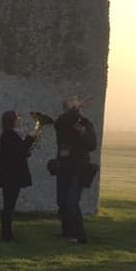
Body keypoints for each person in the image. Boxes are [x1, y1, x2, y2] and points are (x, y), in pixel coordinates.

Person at [53, 95, 97, 243]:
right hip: (64, 167)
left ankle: (79, 235)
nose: (77, 110)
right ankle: (67, 231)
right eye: (72, 107)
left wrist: (83, 132)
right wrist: (75, 109)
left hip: (79, 168)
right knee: (62, 201)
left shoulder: (85, 123)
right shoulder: (62, 123)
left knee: (72, 201)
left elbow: (92, 145)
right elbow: (61, 122)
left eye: (76, 107)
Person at [0, 110, 36, 241]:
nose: (19, 119)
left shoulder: (10, 135)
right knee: (9, 205)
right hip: (11, 175)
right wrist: (31, 137)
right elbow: (19, 150)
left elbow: (18, 152)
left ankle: (7, 233)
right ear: (11, 120)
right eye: (17, 117)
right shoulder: (9, 135)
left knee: (9, 205)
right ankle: (7, 235)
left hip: (11, 174)